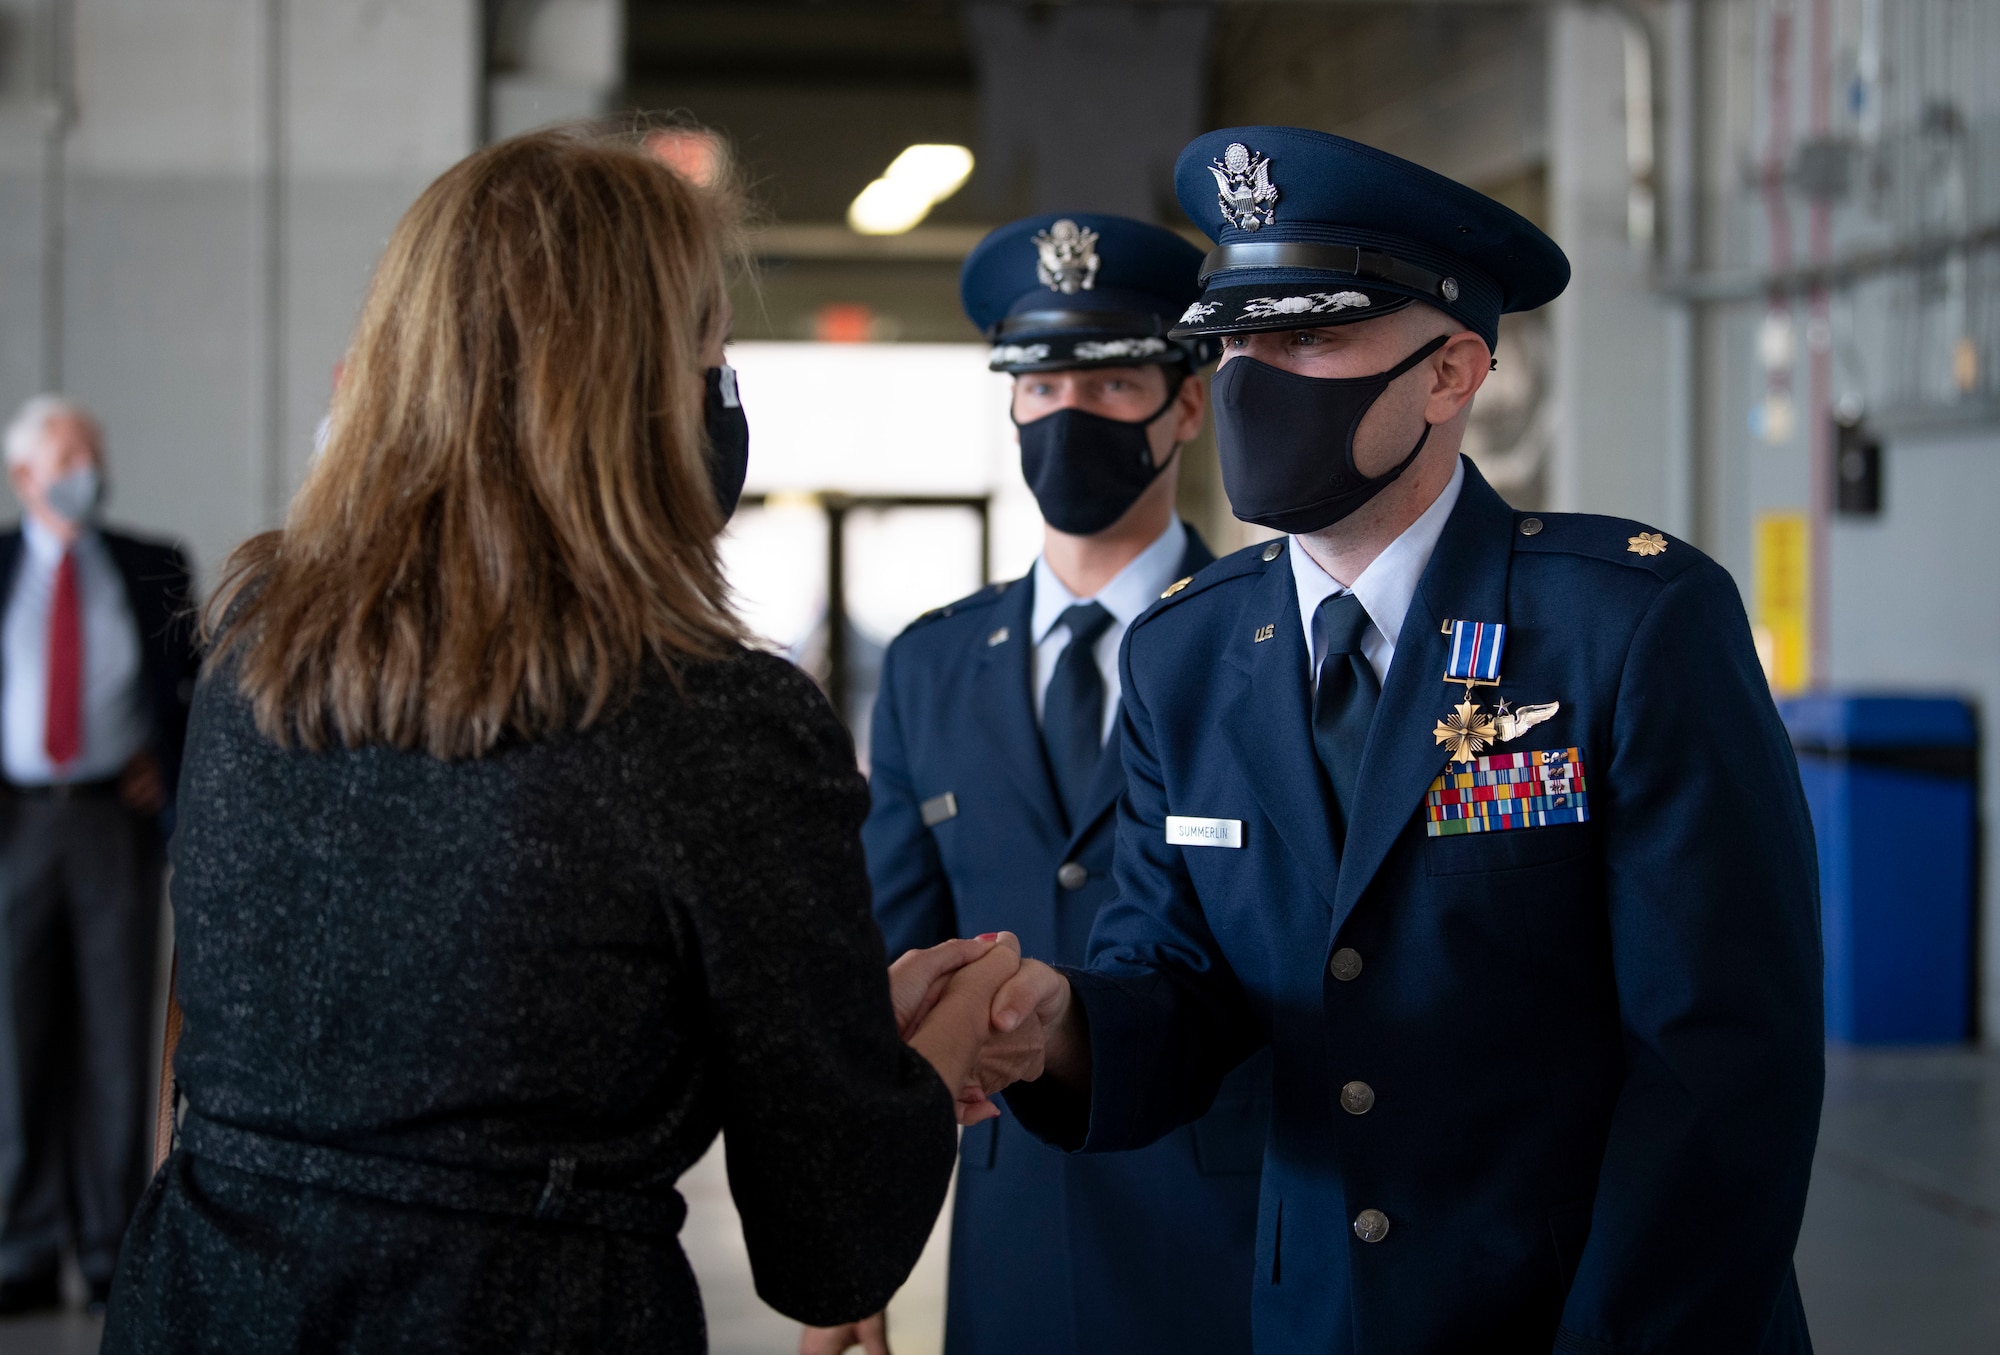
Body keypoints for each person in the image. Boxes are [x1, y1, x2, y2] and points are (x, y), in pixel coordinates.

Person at [100, 126, 1023, 1355]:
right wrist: (941, 1036)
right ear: (636, 400)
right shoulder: (714, 723)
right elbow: (832, 1236)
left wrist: (834, 1030)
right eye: (711, 357)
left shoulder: (257, 644)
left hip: (198, 1305)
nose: (724, 395)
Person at [984, 127, 1826, 1353]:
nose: (1249, 380)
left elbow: (1719, 1072)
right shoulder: (1187, 657)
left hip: (1589, 1315)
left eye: (1308, 336)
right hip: (1318, 1318)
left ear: (1450, 373)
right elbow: (1178, 982)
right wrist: (1048, 1022)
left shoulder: (1625, 625)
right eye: (1232, 341)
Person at [805, 214, 1266, 1355]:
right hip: (1013, 1221)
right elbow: (891, 970)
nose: (1071, 415)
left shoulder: (1276, 643)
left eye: (1112, 383)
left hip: (1232, 1214)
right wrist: (847, 1243)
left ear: (1186, 402)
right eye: (1043, 382)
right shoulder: (928, 663)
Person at [0, 396, 197, 1316]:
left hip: (117, 831)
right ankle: (25, 1243)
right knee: (16, 1041)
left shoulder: (152, 566)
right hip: (19, 829)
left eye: (94, 451)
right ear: (25, 474)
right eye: (69, 453)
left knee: (121, 1045)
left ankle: (115, 1242)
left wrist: (167, 763)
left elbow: (190, 692)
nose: (87, 467)